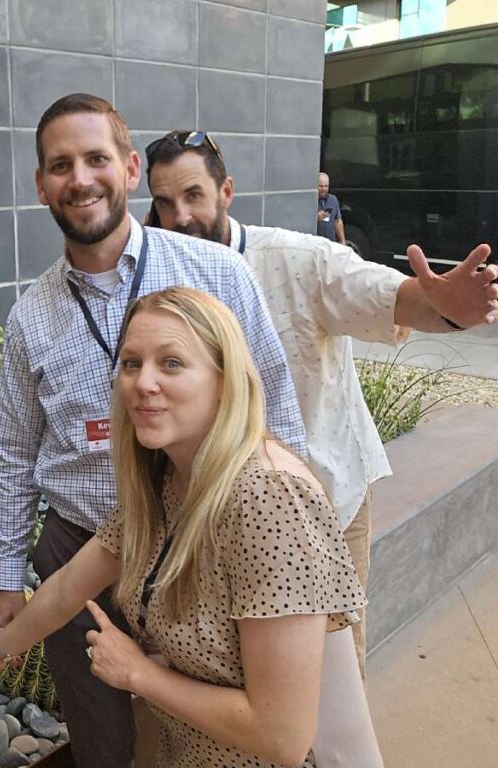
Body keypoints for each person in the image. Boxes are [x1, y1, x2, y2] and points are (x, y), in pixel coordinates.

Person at [0, 93, 307, 768]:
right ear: (41, 184)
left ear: (130, 169)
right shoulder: (29, 319)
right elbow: (14, 457)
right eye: (60, 164)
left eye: (96, 158)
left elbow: (273, 401)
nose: (80, 178)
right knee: (101, 737)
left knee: (218, 718)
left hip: (204, 537)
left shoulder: (216, 272)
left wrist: (286, 516)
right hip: (83, 543)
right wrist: (8, 582)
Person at [0, 287, 381, 768]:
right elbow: (68, 588)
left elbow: (282, 735)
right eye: (132, 363)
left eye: (172, 363)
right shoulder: (167, 481)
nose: (143, 382)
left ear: (224, 380)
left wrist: (139, 674)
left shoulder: (268, 497)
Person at [145, 130, 498, 677]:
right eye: (165, 203)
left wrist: (446, 309)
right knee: (252, 676)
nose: (181, 216)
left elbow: (394, 299)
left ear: (227, 191)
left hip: (324, 509)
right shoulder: (164, 275)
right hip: (217, 517)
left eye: (193, 195)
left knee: (336, 683)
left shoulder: (297, 259)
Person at [317, 172, 345, 243]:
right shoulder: (310, 200)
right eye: (321, 186)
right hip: (316, 242)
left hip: (330, 242)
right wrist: (316, 219)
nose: (324, 189)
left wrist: (342, 241)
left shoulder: (333, 200)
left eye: (326, 186)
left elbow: (338, 221)